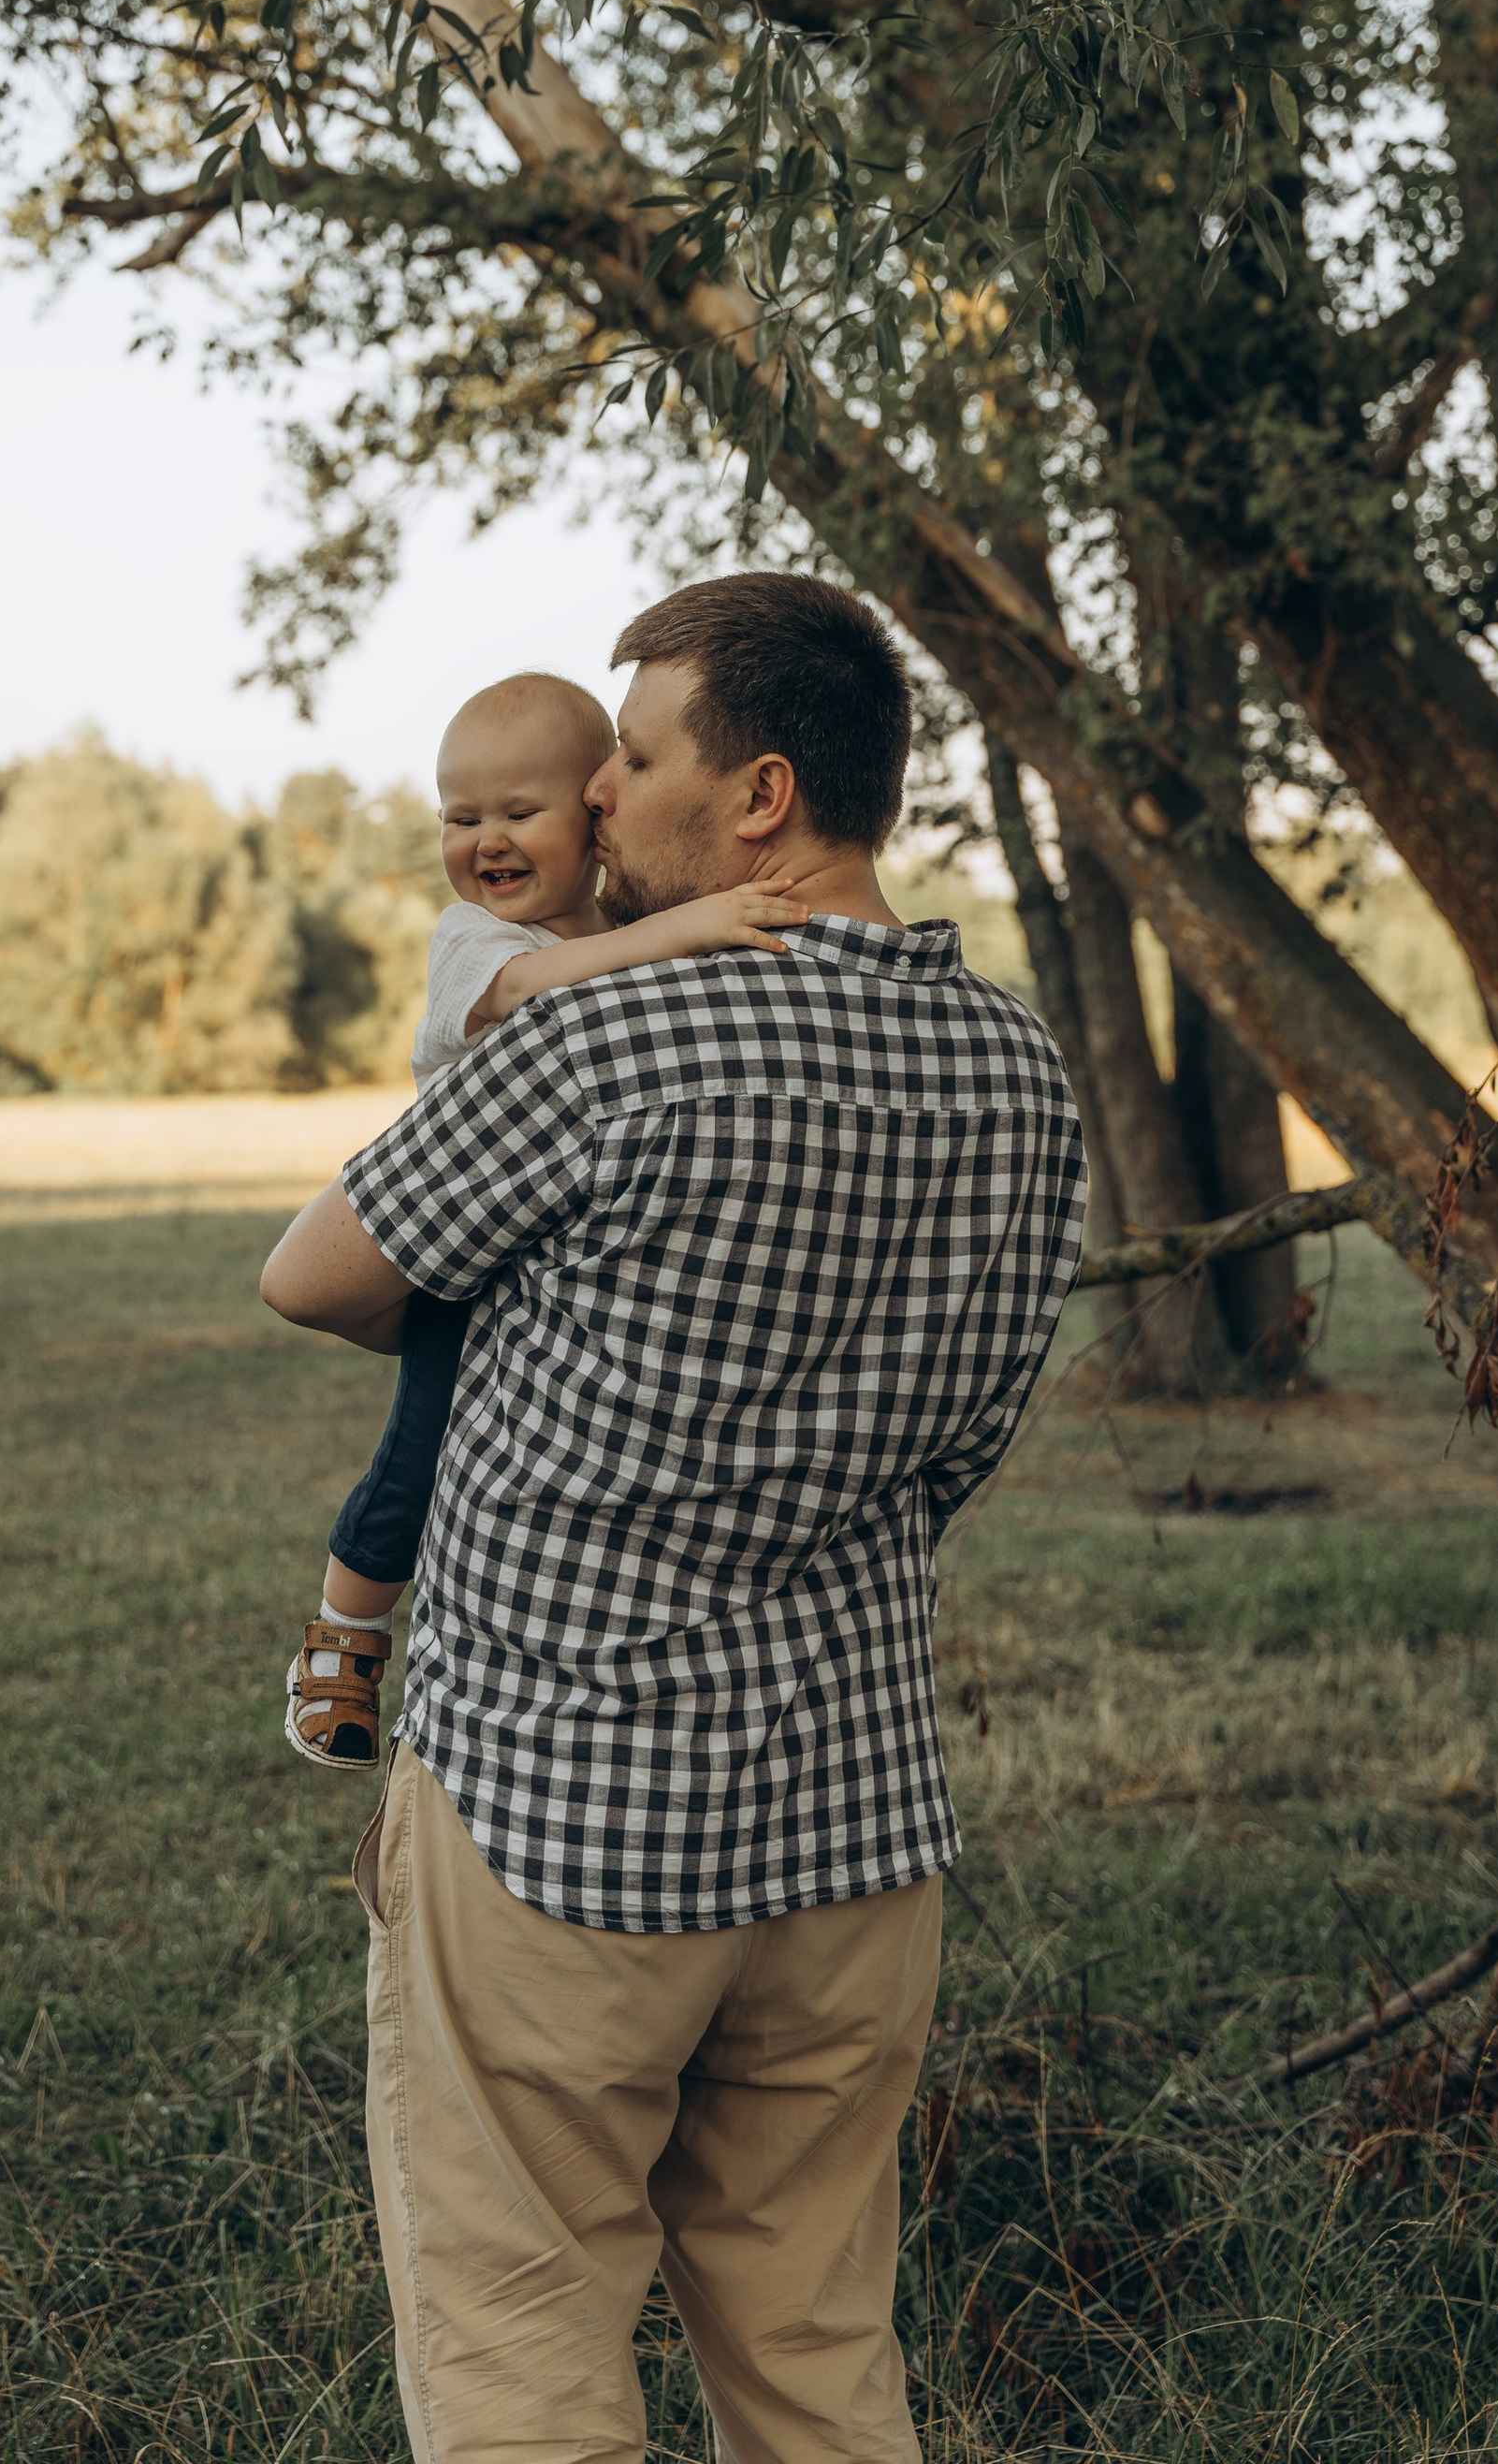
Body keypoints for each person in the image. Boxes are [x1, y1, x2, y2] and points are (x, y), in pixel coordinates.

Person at [261, 572, 1084, 2464]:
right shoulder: (1018, 1074)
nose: (597, 799)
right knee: (814, 2345)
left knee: (521, 2343)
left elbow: (313, 1275)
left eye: (631, 760)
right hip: (851, 1820)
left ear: (761, 795)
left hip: (560, 1814)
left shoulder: (604, 1040)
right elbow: (961, 1446)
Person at [285, 666, 808, 1770]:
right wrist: (694, 926)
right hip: (459, 1242)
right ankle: (343, 1632)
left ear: (594, 814)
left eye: (520, 812)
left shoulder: (628, 922)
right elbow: (537, 993)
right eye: (459, 817)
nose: (486, 841)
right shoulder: (478, 940)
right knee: (418, 1449)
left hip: (571, 1243)